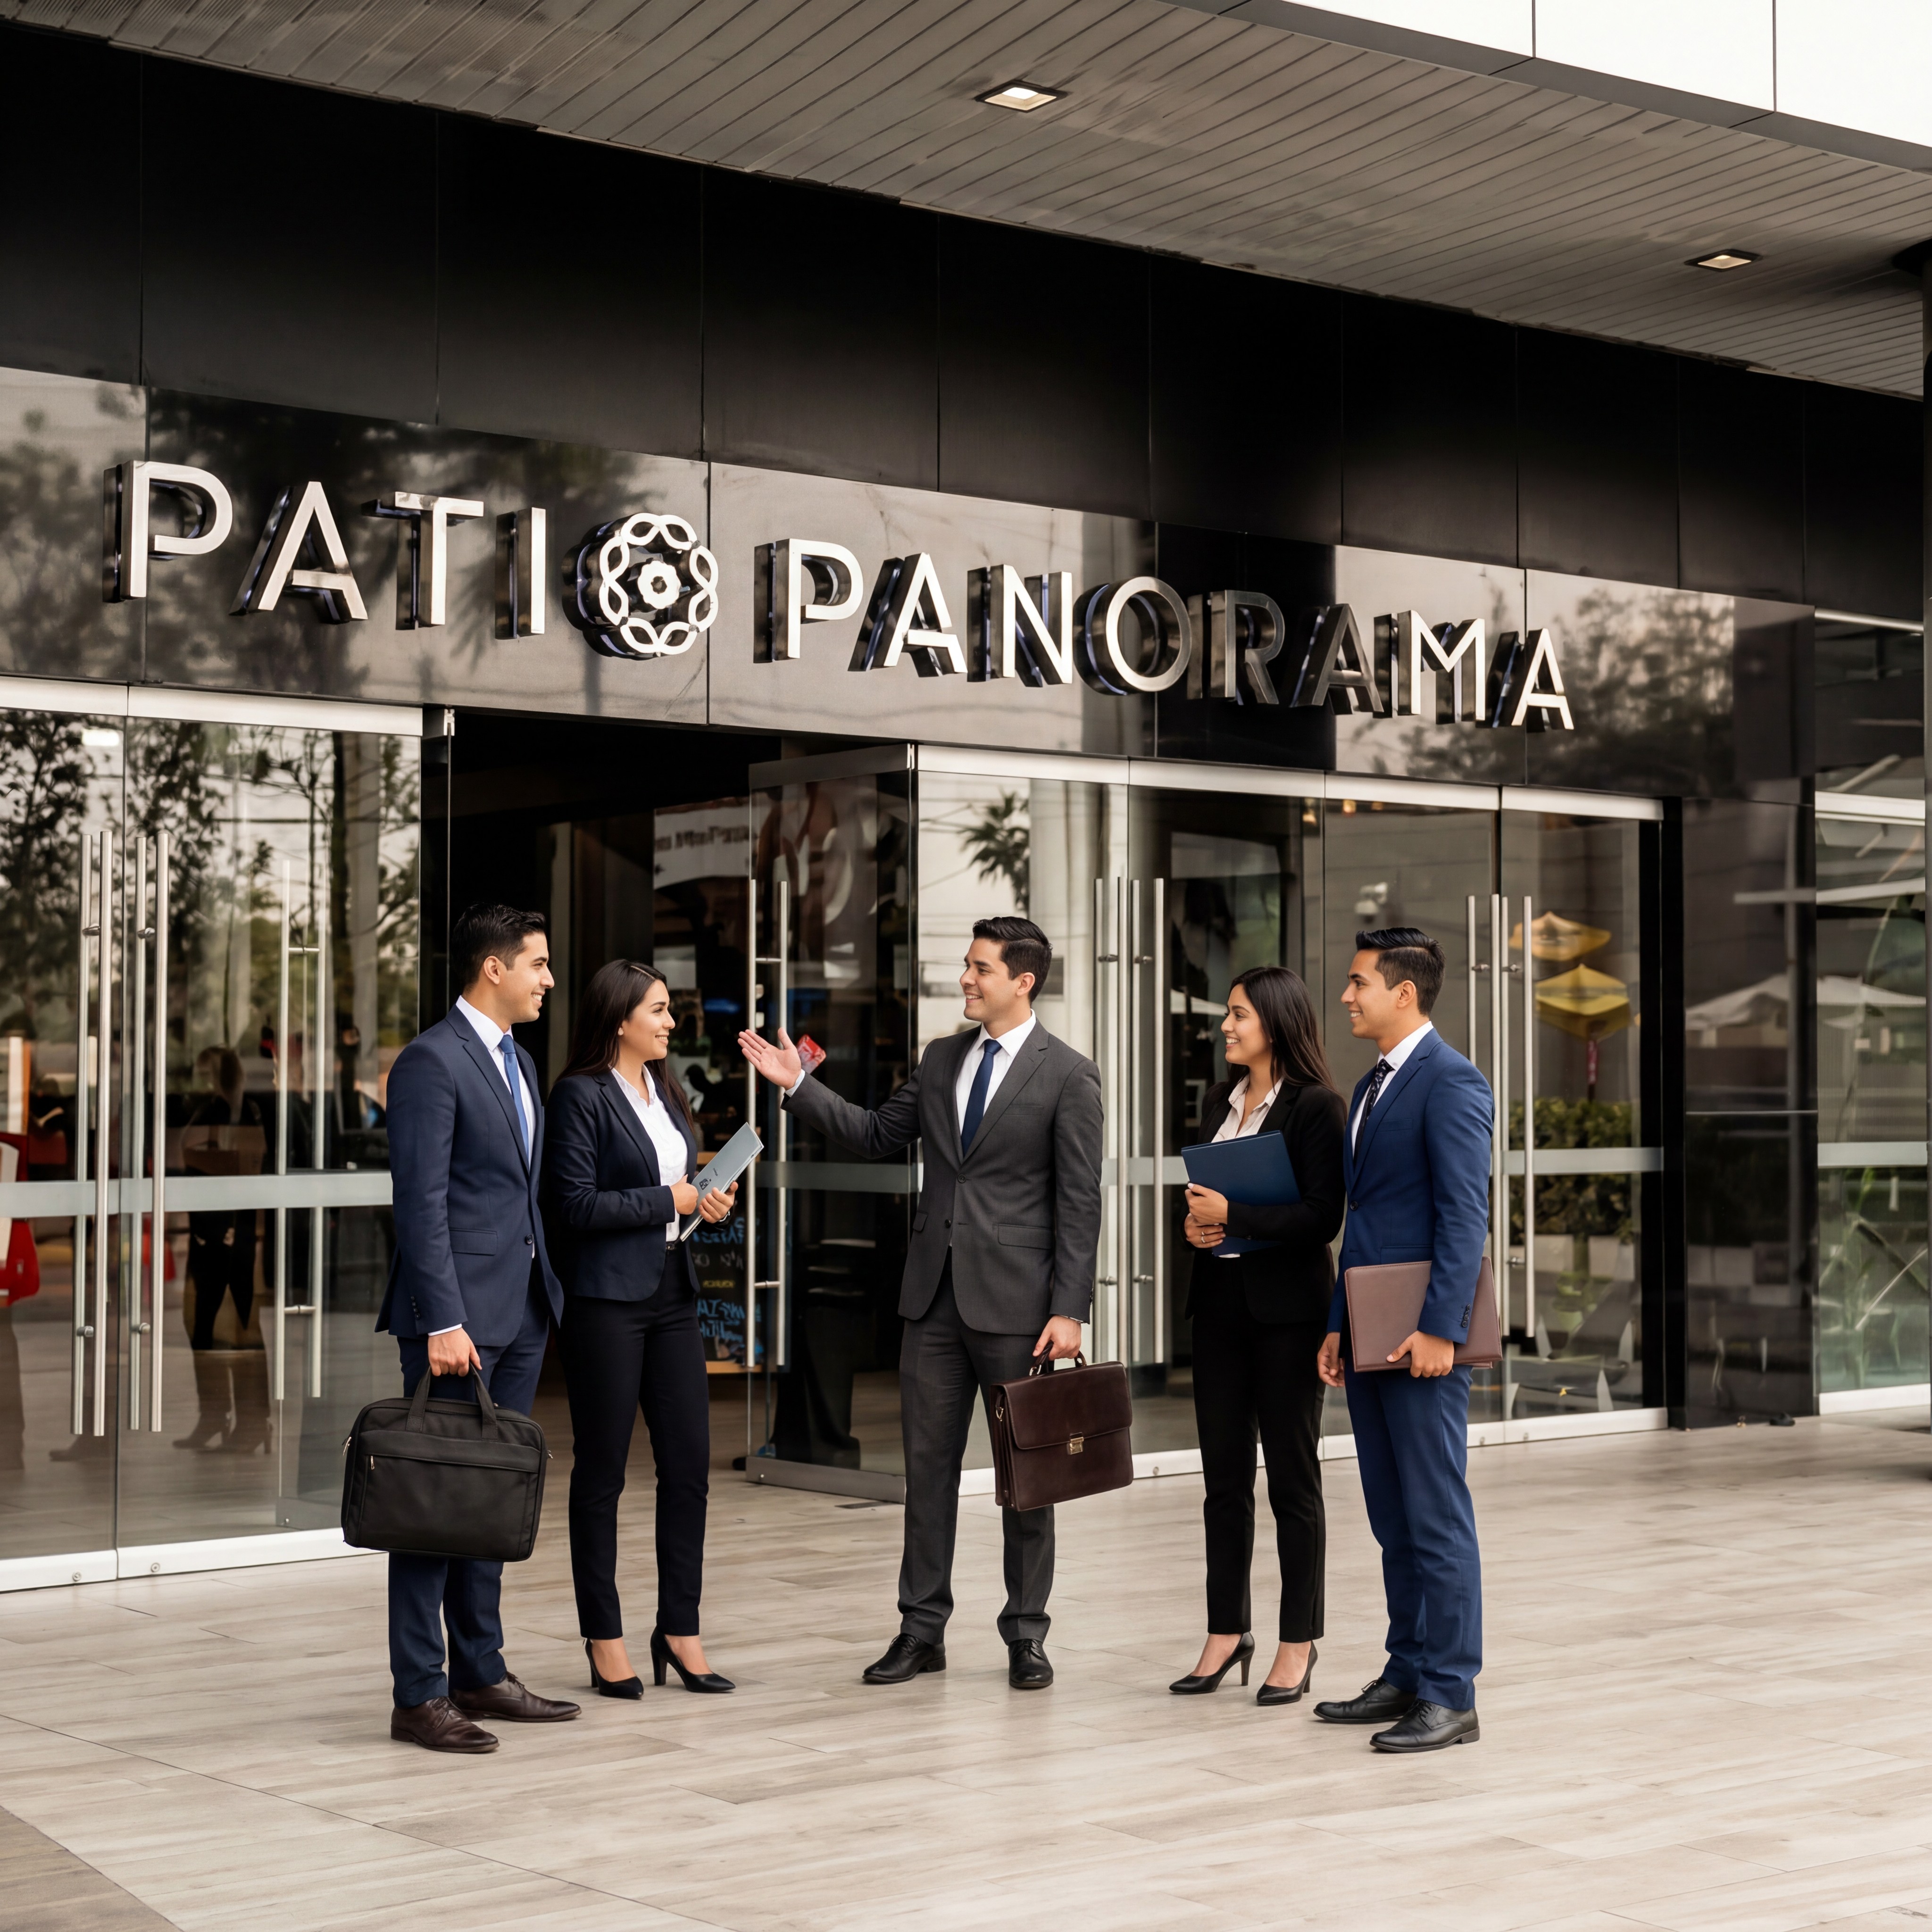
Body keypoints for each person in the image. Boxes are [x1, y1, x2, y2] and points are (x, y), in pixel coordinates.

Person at [739, 916, 1102, 1691]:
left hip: (1021, 1309)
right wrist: (798, 1085)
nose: (966, 979)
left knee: (1026, 1481)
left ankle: (1026, 1635)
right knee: (926, 1473)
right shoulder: (942, 1059)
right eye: (967, 965)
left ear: (1023, 982)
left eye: (980, 968)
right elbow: (876, 1134)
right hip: (932, 1302)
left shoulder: (1070, 1076)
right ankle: (921, 1629)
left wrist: (1069, 1309)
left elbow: (1080, 1202)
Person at [377, 903, 582, 1754]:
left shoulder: (519, 1062)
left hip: (522, 1308)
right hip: (458, 1323)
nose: (549, 980)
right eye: (538, 964)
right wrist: (444, 1319)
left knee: (489, 1497)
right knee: (433, 1504)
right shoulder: (432, 1061)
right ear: (493, 968)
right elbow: (419, 1203)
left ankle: (480, 1672)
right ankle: (419, 1694)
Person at [1314, 927, 1491, 1753]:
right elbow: (1366, 1223)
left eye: (1359, 983)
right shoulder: (1369, 1087)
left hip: (1424, 1341)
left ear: (1404, 993)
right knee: (1393, 1516)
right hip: (1372, 1332)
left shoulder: (1452, 1082)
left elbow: (1464, 1215)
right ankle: (1408, 1670)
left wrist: (1441, 1330)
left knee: (1436, 1516)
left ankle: (1452, 1695)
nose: (1346, 996)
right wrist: (1338, 1324)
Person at [543, 960, 739, 1700]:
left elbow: (676, 1188)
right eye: (658, 1010)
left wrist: (703, 1201)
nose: (670, 1023)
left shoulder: (667, 1091)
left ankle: (680, 1631)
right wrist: (670, 1199)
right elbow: (573, 1206)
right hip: (606, 1302)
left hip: (672, 1293)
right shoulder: (580, 1095)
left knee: (689, 1466)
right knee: (602, 1472)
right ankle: (604, 1638)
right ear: (619, 1018)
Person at [1172, 966, 1346, 1705]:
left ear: (1275, 1022)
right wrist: (1196, 1226)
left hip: (1288, 1319)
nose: (1226, 1026)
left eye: (1239, 1014)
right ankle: (1226, 1632)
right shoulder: (1220, 1099)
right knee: (1223, 1484)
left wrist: (1234, 1215)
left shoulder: (1317, 1108)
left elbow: (1322, 1217)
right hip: (1218, 1310)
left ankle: (1298, 1643)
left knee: (1293, 1483)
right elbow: (1204, 1202)